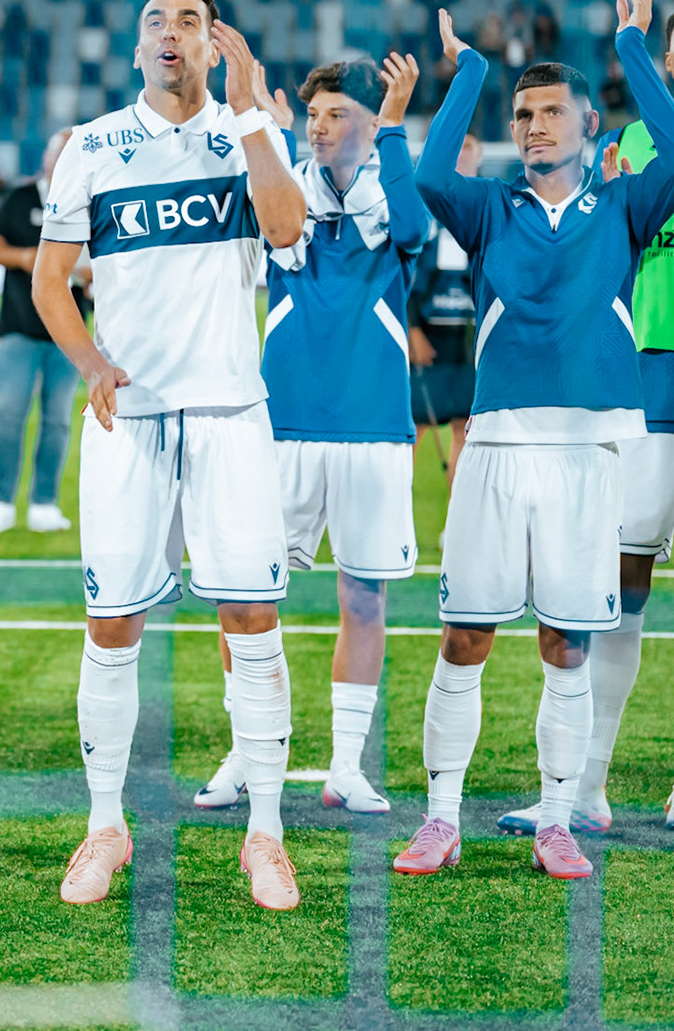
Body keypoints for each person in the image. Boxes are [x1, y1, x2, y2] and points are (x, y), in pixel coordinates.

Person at [32, 0, 308, 911]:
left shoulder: (247, 134)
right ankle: (105, 826)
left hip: (231, 414)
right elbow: (50, 282)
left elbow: (286, 230)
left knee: (253, 622)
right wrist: (90, 362)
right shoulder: (93, 145)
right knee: (112, 626)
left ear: (212, 42)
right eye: (157, 20)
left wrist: (253, 112)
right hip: (130, 418)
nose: (171, 33)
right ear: (137, 46)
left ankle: (266, 835)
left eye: (190, 21)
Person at [393, 0, 674, 881]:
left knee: (567, 645)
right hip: (497, 450)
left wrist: (633, 47)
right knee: (464, 640)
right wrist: (472, 73)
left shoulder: (624, 208)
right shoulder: (491, 209)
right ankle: (440, 819)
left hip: (587, 455)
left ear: (589, 124)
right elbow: (430, 178)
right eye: (524, 115)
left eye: (552, 112)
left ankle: (558, 821)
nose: (535, 126)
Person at [193, 54, 424, 820]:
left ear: (371, 123)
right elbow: (273, 229)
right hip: (282, 421)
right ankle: (245, 750)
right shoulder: (281, 182)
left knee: (364, 597)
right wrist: (265, 123)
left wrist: (394, 129)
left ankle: (347, 767)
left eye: (339, 116)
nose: (322, 128)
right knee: (245, 593)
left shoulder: (394, 184)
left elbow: (415, 230)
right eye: (315, 116)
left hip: (373, 424)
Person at [499, 9, 674, 838]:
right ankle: (587, 786)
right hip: (642, 385)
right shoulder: (631, 145)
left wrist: (631, 46)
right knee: (618, 590)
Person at [0, 129, 86, 536]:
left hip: (69, 334)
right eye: (61, 154)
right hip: (20, 326)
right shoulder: (20, 198)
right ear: (47, 160)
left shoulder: (90, 203)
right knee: (10, 413)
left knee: (57, 420)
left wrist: (83, 272)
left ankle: (44, 503)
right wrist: (28, 258)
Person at [407, 136, 483, 499]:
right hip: (430, 337)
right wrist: (413, 332)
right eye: (458, 152)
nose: (462, 159)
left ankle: (457, 519)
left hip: (467, 340)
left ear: (478, 160)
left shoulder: (484, 208)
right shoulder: (426, 212)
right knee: (414, 428)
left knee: (464, 430)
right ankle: (394, 512)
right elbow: (408, 279)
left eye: (469, 153)